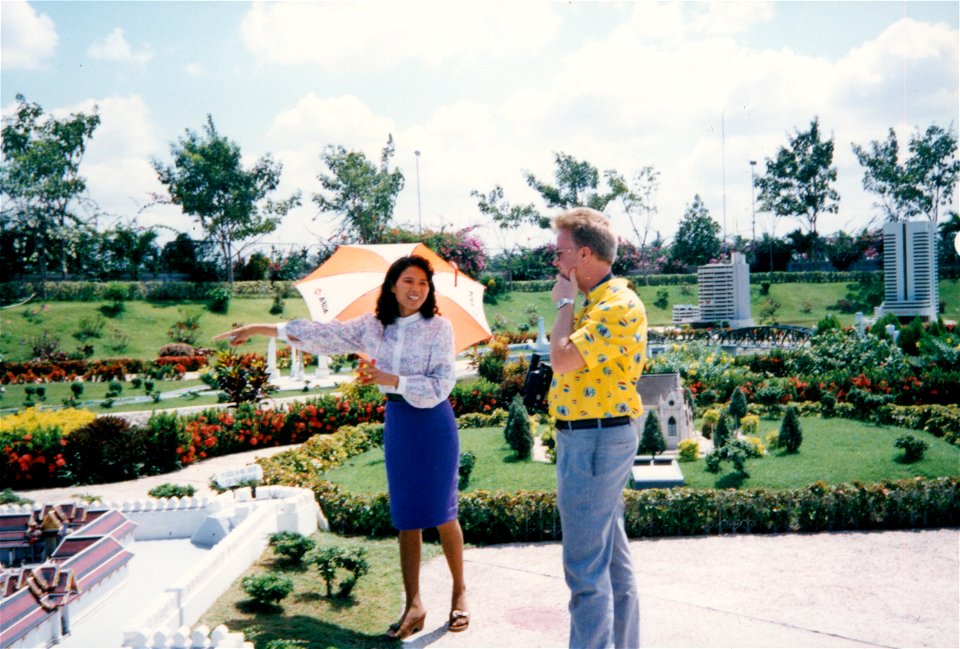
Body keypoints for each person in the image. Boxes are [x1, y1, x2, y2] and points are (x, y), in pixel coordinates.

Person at [213, 255, 469, 639]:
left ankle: (460, 592)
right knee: (407, 517)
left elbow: (442, 384)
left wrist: (391, 378)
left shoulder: (439, 328)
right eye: (408, 281)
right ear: (393, 285)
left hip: (434, 422)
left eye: (423, 283)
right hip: (399, 423)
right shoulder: (373, 326)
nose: (416, 289)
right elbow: (321, 334)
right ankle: (414, 604)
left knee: (443, 511)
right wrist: (259, 328)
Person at [548, 207, 646, 649]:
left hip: (594, 438)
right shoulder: (599, 302)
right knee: (610, 563)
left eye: (560, 252)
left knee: (585, 569)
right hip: (592, 435)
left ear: (584, 254)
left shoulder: (616, 305)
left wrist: (564, 304)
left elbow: (563, 359)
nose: (555, 261)